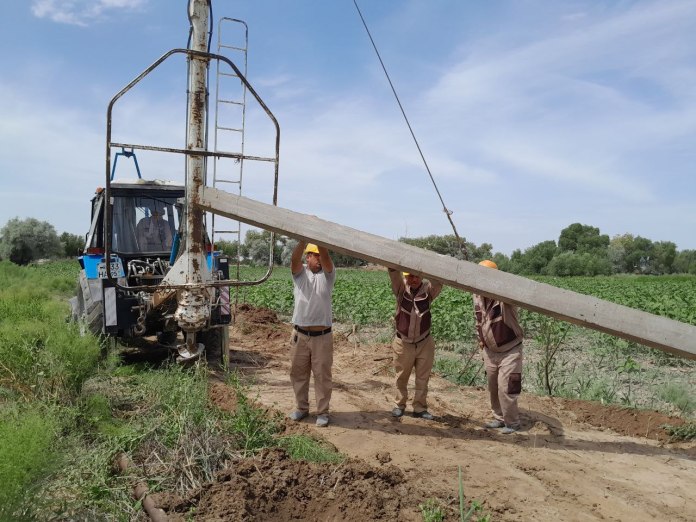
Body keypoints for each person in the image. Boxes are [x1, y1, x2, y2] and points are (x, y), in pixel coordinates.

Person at [288, 241, 336, 427]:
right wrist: (303, 238)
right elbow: (294, 259)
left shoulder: (328, 276)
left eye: (318, 256)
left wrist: (319, 239)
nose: (317, 259)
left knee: (322, 376)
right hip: (300, 335)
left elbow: (327, 258)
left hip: (322, 336)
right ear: (307, 257)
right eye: (313, 256)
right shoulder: (300, 275)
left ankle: (322, 412)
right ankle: (301, 408)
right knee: (298, 373)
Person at [474, 260, 524, 434]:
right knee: (494, 387)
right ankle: (499, 418)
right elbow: (478, 320)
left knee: (507, 387)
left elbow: (515, 289)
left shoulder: (505, 298)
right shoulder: (477, 296)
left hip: (510, 350)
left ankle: (513, 423)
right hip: (490, 351)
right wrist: (481, 340)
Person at [388, 268, 443, 420]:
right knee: (401, 376)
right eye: (410, 276)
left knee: (423, 378)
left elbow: (439, 280)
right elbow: (393, 272)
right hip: (403, 342)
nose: (414, 279)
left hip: (424, 341)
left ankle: (419, 408)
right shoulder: (400, 289)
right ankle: (399, 405)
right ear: (406, 277)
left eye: (417, 276)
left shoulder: (428, 291)